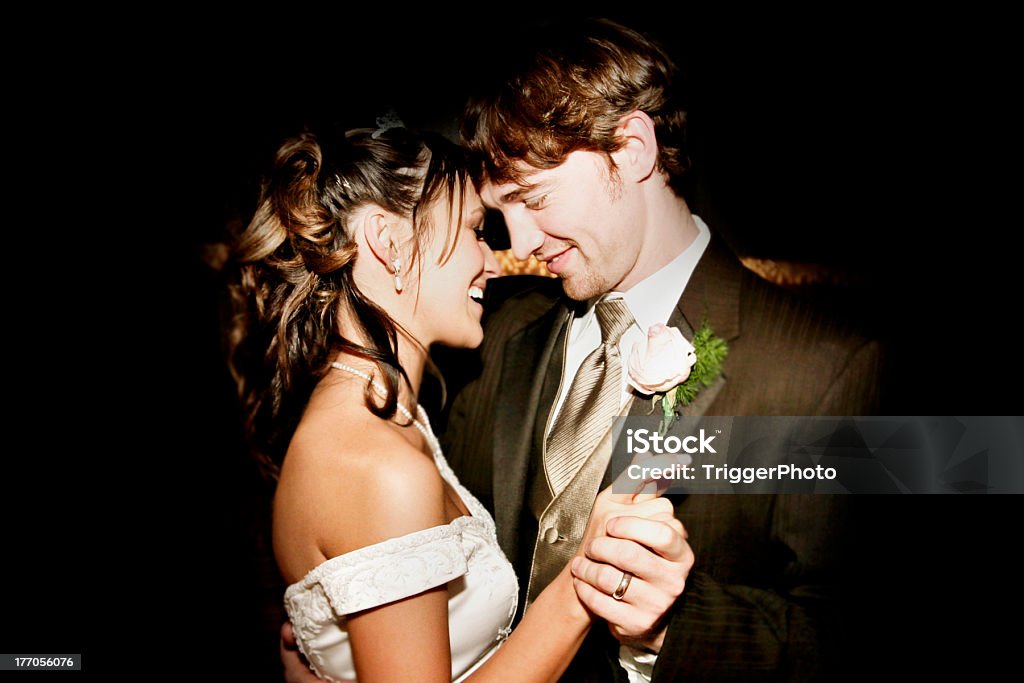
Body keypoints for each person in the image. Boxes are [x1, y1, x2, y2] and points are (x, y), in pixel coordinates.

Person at [281, 17, 882, 682]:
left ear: (631, 149)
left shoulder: (827, 367)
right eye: (498, 213)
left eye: (534, 199)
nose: (520, 241)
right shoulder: (494, 331)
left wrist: (670, 623)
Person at [227, 122, 683, 682]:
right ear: (387, 242)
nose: (495, 260)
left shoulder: (391, 417)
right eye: (474, 230)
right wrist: (585, 574)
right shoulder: (377, 465)